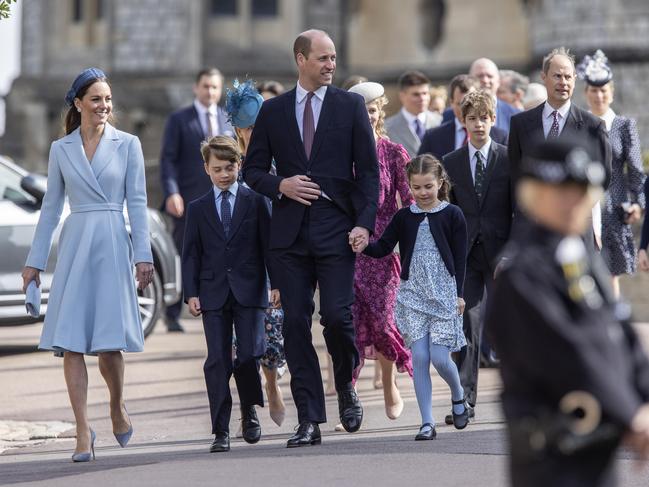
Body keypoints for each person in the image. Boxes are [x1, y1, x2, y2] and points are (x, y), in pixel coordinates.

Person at [486, 137, 649, 486]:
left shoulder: (580, 254)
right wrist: (630, 414)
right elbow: (568, 352)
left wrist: (644, 398)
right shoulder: (522, 273)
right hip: (551, 457)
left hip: (596, 447)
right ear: (533, 193)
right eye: (560, 190)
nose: (574, 200)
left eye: (582, 189)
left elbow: (619, 332)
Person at [244, 29, 379, 448]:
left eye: (334, 58)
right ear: (300, 59)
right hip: (288, 238)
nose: (331, 65)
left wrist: (363, 224)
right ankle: (309, 419)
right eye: (322, 58)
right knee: (297, 325)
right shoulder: (274, 111)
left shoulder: (350, 106)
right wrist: (280, 185)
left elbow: (369, 175)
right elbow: (253, 171)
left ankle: (346, 384)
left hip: (337, 231)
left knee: (337, 319)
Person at [21, 68, 154, 462]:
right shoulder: (61, 149)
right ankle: (82, 430)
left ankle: (116, 406)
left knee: (110, 346)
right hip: (77, 246)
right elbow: (50, 209)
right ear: (78, 104)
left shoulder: (128, 144)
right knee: (71, 343)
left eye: (108, 99)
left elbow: (138, 202)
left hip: (113, 242)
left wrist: (143, 253)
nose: (104, 106)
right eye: (96, 99)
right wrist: (34, 263)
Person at [361, 154, 470, 440]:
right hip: (413, 294)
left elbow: (460, 258)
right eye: (416, 187)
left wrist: (460, 294)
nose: (422, 193)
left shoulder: (452, 215)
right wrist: (362, 246)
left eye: (428, 187)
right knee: (419, 357)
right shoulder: (403, 217)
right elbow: (384, 247)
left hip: (445, 293)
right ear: (408, 186)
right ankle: (427, 422)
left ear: (440, 183)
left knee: (440, 358)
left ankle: (458, 394)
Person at [182, 135, 277, 453]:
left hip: (250, 290)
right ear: (206, 169)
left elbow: (269, 247)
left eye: (230, 167)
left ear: (240, 165)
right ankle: (220, 429)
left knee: (250, 354)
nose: (224, 174)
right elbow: (191, 254)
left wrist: (274, 283)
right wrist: (191, 292)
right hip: (212, 292)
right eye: (217, 168)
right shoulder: (197, 208)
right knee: (218, 361)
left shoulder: (255, 201)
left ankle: (249, 409)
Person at [442, 90, 514, 422]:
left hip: (502, 256)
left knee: (509, 325)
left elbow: (520, 211)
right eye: (472, 118)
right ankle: (465, 399)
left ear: (493, 119)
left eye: (484, 118)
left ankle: (519, 397)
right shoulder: (452, 162)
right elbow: (447, 212)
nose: (479, 124)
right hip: (467, 255)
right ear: (464, 121)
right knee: (467, 325)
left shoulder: (509, 158)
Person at [347, 81, 413, 420]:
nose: (368, 116)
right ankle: (351, 401)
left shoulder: (393, 152)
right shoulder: (340, 155)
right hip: (349, 253)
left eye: (372, 110)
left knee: (385, 324)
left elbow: (411, 200)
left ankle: (389, 384)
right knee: (352, 326)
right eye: (362, 111)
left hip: (385, 254)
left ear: (380, 111)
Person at [225, 78, 287, 427]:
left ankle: (272, 385)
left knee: (273, 332)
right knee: (239, 342)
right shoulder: (229, 162)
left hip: (273, 257)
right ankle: (248, 407)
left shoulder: (280, 160)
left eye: (257, 126)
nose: (252, 133)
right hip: (239, 262)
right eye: (246, 128)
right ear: (236, 127)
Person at [508, 47, 612, 252]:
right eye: (557, 76)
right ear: (543, 77)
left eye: (568, 77)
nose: (563, 82)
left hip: (576, 230)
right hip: (532, 230)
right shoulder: (520, 123)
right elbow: (515, 176)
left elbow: (604, 177)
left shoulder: (593, 126)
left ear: (575, 79)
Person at [160, 67, 235, 333]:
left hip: (223, 200)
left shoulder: (229, 119)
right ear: (196, 87)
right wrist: (172, 192)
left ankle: (218, 305)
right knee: (184, 255)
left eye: (215, 87)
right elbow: (168, 159)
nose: (210, 91)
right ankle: (172, 313)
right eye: (205, 86)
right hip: (188, 202)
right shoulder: (179, 119)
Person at [577, 50, 645, 299]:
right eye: (594, 90)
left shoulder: (624, 126)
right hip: (583, 206)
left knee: (610, 273)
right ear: (586, 93)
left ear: (612, 92)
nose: (599, 95)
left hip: (613, 207)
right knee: (582, 271)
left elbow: (636, 169)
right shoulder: (579, 123)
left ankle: (611, 326)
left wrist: (638, 203)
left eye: (604, 90)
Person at [418, 75, 507, 160]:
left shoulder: (501, 138)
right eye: (460, 104)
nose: (464, 109)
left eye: (470, 104)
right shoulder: (433, 137)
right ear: (451, 102)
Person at [442, 59, 521, 134]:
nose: (485, 80)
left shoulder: (515, 115)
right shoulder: (450, 115)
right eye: (480, 76)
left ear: (498, 81)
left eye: (489, 76)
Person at [385, 70, 442, 157]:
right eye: (416, 94)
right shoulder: (387, 128)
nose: (422, 98)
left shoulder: (440, 121)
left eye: (425, 93)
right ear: (402, 96)